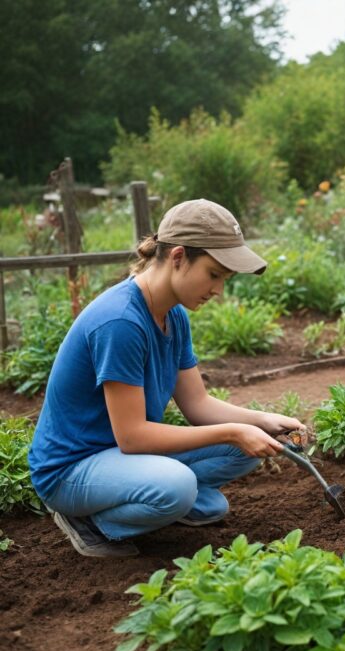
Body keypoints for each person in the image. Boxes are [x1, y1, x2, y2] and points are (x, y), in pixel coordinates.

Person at [29, 199, 306, 558]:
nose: (219, 289)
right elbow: (132, 437)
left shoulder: (173, 317)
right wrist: (234, 431)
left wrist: (262, 421)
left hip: (120, 457)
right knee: (178, 486)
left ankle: (165, 500)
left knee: (252, 446)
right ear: (178, 257)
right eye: (214, 274)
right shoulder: (121, 323)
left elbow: (197, 404)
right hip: (72, 469)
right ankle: (90, 521)